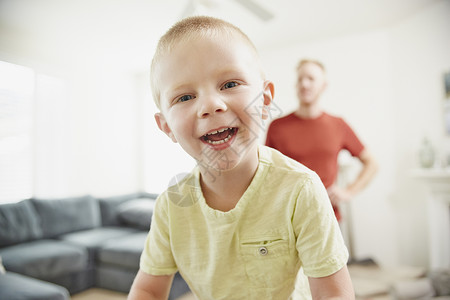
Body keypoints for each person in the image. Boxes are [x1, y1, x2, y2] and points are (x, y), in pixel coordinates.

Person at [128, 17, 354, 300]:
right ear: (166, 128)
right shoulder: (170, 207)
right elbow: (147, 290)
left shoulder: (301, 190)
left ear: (265, 101)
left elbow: (333, 295)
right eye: (185, 97)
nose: (210, 105)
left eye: (230, 83)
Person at [265, 59, 378, 221]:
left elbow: (372, 164)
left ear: (323, 86)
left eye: (311, 79)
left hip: (328, 216)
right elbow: (266, 173)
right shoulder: (277, 127)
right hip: (288, 218)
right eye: (300, 79)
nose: (304, 84)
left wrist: (348, 192)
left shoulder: (338, 125)